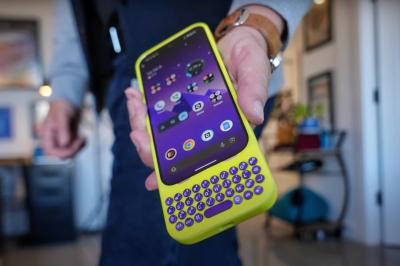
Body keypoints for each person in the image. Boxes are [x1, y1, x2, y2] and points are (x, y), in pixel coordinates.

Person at [40, 0, 312, 265]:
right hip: (134, 73)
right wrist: (64, 95)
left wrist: (257, 22)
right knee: (200, 230)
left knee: (147, 242)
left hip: (225, 63)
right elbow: (73, 13)